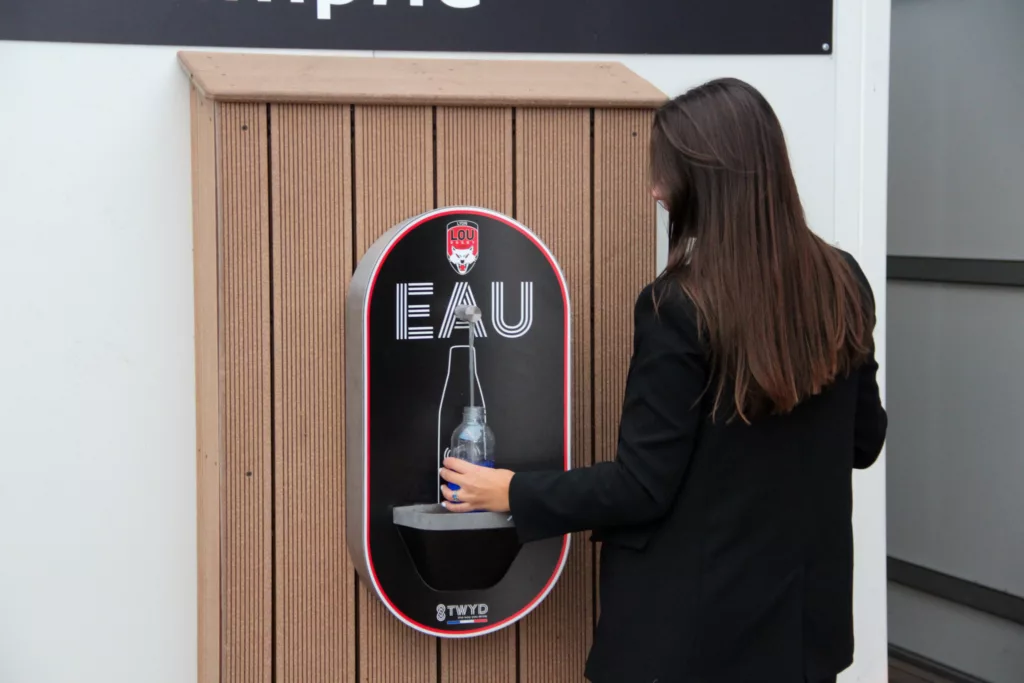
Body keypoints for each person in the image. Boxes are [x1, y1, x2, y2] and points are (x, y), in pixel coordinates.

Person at [439, 78, 887, 683]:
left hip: (690, 641)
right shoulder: (843, 282)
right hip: (802, 634)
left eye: (666, 173)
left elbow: (642, 487)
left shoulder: (677, 306)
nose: (655, 190)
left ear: (711, 178)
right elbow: (864, 442)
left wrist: (513, 493)